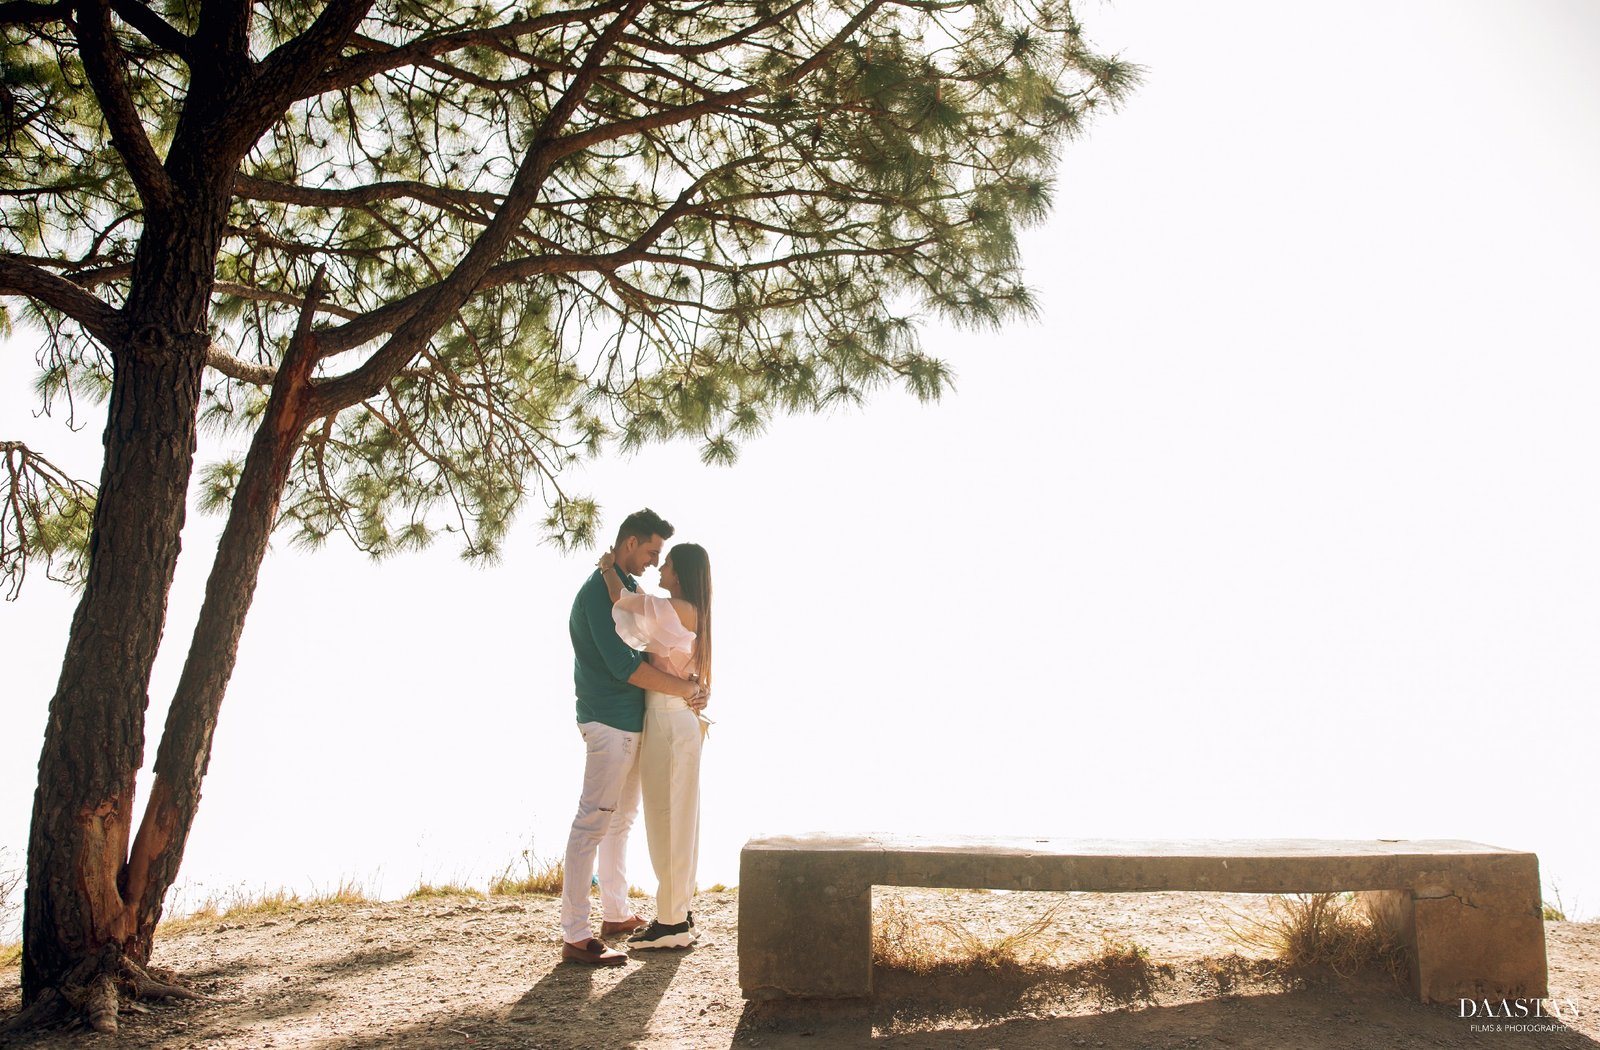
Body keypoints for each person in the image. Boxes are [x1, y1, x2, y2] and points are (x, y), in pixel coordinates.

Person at [559, 509, 706, 967]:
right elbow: (625, 665)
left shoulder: (628, 591)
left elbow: (649, 620)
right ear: (629, 544)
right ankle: (577, 934)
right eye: (650, 551)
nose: (653, 562)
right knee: (593, 823)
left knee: (620, 822)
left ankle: (616, 913)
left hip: (633, 721)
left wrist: (691, 682)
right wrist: (686, 688)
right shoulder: (597, 595)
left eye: (661, 556)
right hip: (609, 722)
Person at [596, 542, 712, 950]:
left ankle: (672, 923)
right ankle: (677, 911)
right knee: (678, 818)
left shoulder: (674, 608)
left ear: (678, 573)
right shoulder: (692, 611)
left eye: (666, 564)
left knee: (667, 818)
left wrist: (609, 566)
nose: (659, 570)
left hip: (668, 716)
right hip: (676, 716)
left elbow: (623, 601)